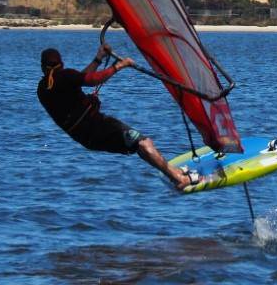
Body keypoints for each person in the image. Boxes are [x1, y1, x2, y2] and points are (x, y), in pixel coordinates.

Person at [36, 44, 199, 190]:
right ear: (62, 64)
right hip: (100, 128)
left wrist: (98, 59)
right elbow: (90, 80)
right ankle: (179, 179)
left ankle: (173, 173)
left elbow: (78, 81)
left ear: (42, 67)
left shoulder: (42, 89)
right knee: (144, 143)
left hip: (87, 139)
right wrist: (118, 66)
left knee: (138, 145)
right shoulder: (65, 76)